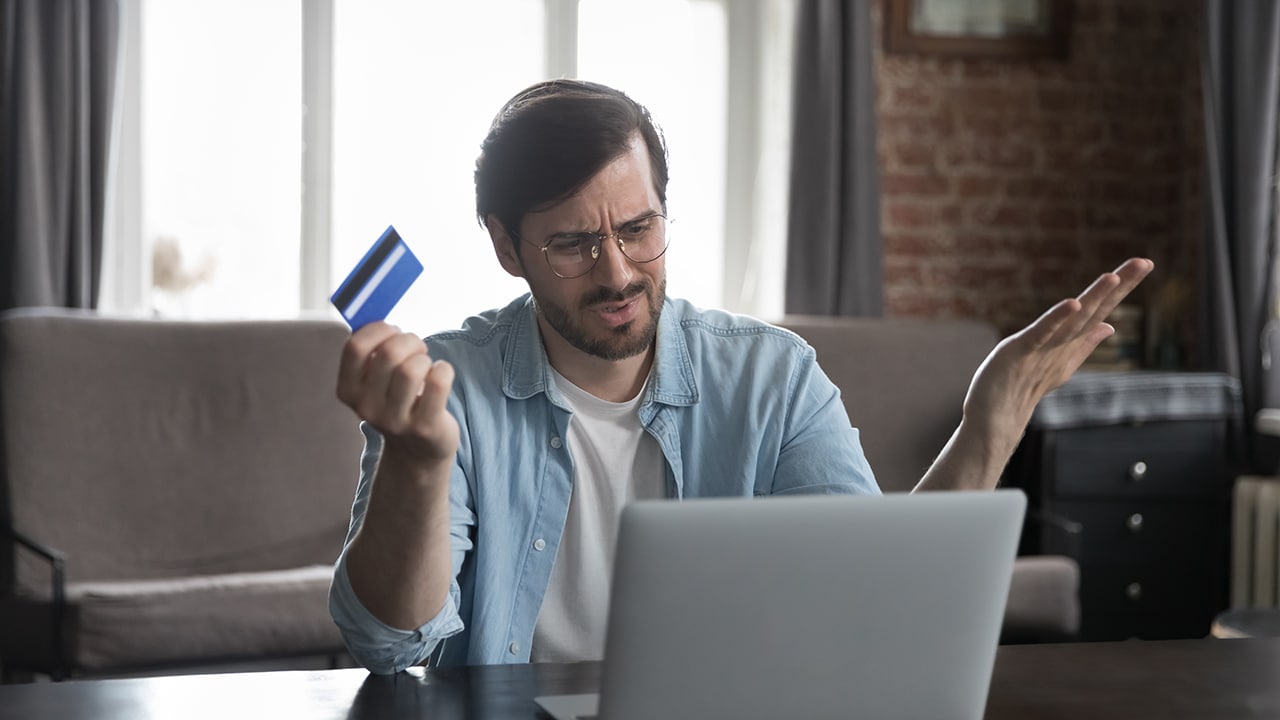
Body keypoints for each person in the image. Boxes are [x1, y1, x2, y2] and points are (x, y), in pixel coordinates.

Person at [328, 79, 1152, 673]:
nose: (617, 272)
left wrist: (993, 420)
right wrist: (422, 462)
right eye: (573, 244)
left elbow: (873, 597)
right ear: (506, 247)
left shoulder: (774, 377)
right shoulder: (446, 388)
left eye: (639, 228)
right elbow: (388, 641)